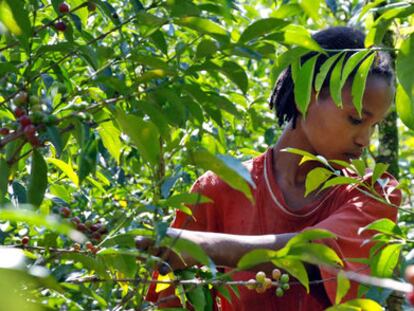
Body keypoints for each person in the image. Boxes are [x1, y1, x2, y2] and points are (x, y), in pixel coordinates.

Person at [143, 26, 401, 310]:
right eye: (355, 119)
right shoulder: (216, 191)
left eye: (373, 126)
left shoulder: (375, 193)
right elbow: (173, 301)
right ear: (307, 96)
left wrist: (201, 246)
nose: (365, 140)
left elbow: (318, 253)